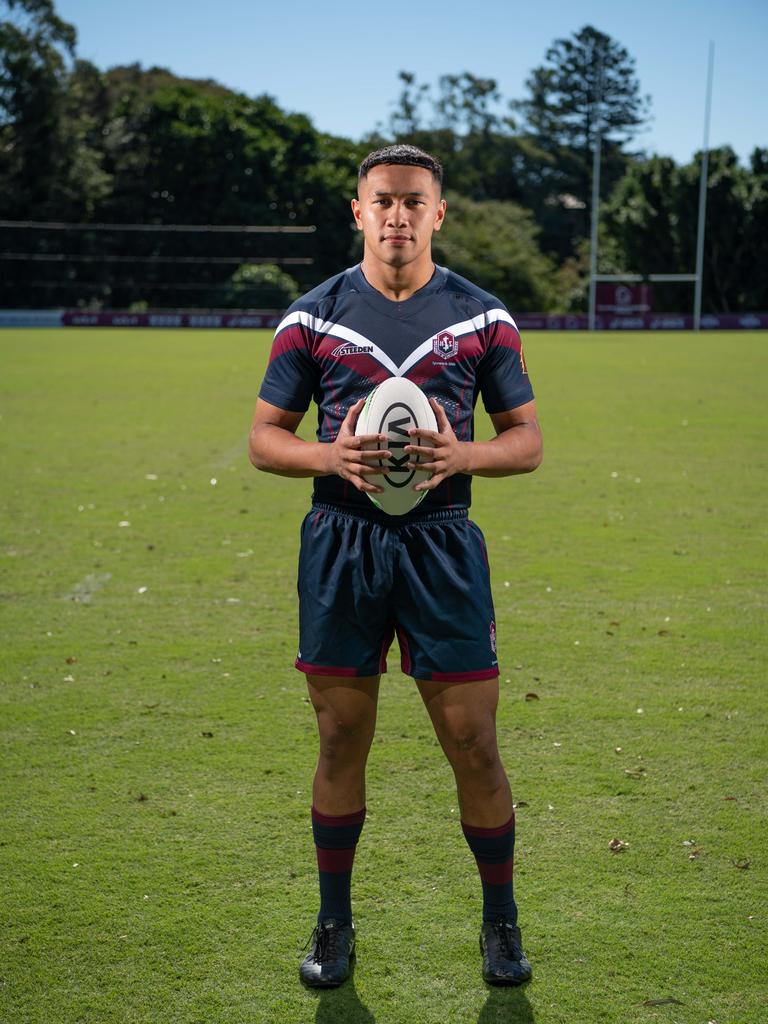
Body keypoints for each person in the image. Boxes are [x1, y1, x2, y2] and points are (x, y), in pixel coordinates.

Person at [249, 144, 542, 989]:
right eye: (384, 200)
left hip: (444, 541)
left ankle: (502, 924)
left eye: (415, 201)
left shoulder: (483, 318)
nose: (399, 215)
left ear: (438, 213)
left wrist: (465, 455)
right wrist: (327, 458)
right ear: (359, 211)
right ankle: (333, 923)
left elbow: (527, 442)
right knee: (341, 737)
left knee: (474, 743)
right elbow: (264, 439)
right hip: (341, 539)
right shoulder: (313, 316)